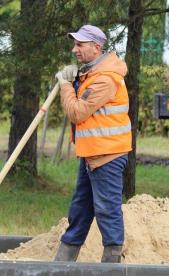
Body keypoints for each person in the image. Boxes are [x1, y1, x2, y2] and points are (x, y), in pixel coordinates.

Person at [54, 25, 132, 263]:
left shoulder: (106, 80)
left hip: (106, 155)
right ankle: (60, 268)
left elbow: (78, 112)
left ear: (96, 47)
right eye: (74, 44)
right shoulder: (92, 74)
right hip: (92, 155)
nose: (74, 49)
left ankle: (111, 275)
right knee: (80, 211)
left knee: (108, 212)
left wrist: (66, 85)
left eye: (80, 45)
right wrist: (74, 78)